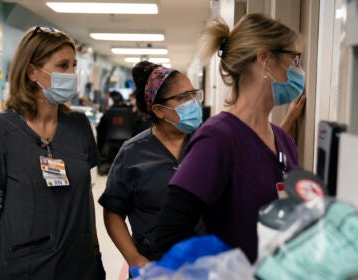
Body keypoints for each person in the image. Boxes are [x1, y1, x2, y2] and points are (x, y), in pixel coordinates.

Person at [155, 13, 305, 264]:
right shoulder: (218, 138)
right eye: (294, 59)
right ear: (265, 58)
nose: (299, 70)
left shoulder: (283, 140)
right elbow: (170, 233)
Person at [0, 26, 105, 279]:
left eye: (74, 65)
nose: (72, 74)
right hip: (24, 267)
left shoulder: (78, 127)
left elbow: (85, 197)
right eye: (63, 66)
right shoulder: (3, 131)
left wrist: (96, 250)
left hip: (78, 264)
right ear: (32, 71)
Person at [98, 61, 204, 272]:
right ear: (159, 110)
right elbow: (113, 212)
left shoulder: (207, 144)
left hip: (205, 264)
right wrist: (134, 257)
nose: (193, 102)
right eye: (183, 97)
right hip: (154, 267)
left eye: (193, 94)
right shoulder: (133, 153)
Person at [96, 90, 134, 174]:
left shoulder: (108, 113)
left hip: (111, 143)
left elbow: (100, 129)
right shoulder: (130, 112)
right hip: (129, 143)